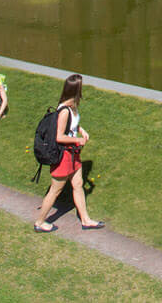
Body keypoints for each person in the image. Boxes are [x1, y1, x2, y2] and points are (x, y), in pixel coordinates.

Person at [33, 74, 103, 232]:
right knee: (55, 190)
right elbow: (59, 136)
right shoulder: (64, 110)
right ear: (75, 90)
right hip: (64, 156)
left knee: (78, 185)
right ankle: (40, 222)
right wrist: (77, 141)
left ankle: (85, 220)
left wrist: (81, 130)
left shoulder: (73, 106)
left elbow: (73, 125)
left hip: (73, 155)